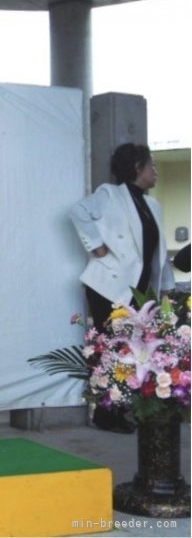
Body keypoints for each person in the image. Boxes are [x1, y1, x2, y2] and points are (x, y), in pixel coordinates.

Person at [70, 142, 174, 433]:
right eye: (151, 165)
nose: (156, 171)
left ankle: (126, 408)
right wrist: (97, 247)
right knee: (110, 347)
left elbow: (159, 251)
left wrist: (165, 288)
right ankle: (106, 414)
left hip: (141, 289)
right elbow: (78, 212)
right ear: (137, 167)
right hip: (108, 284)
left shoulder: (152, 204)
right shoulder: (109, 193)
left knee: (135, 349)